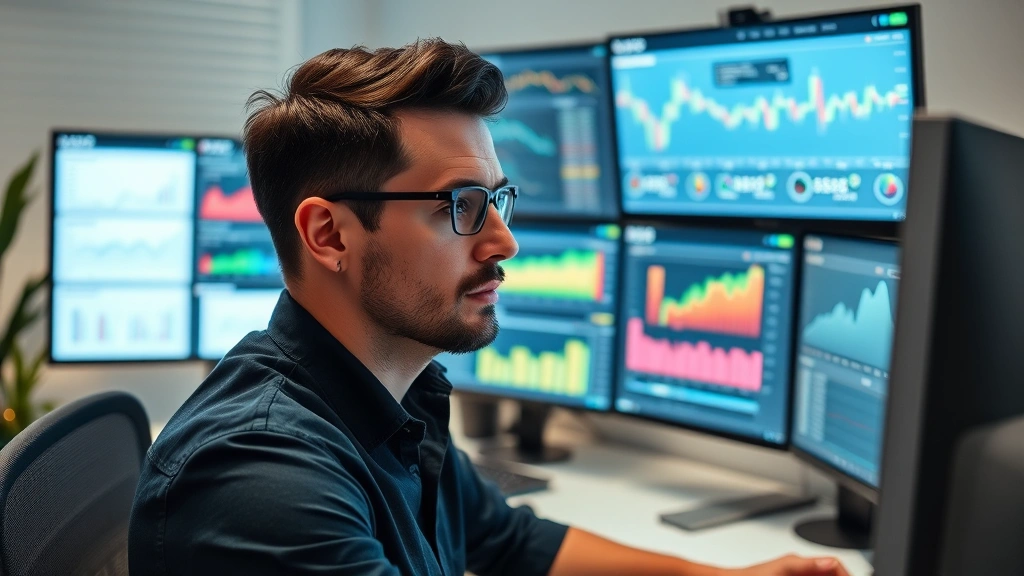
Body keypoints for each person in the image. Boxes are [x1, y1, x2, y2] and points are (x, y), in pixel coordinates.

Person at [128, 39, 850, 576]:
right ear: (329, 234)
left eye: (499, 200)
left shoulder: (393, 399)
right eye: (462, 207)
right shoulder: (261, 481)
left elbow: (511, 541)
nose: (504, 241)